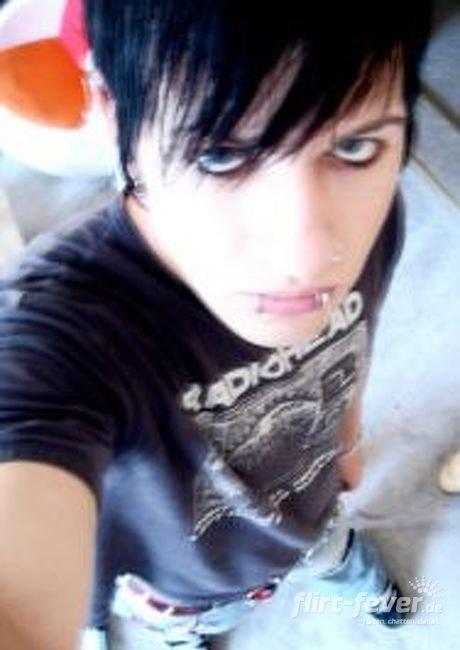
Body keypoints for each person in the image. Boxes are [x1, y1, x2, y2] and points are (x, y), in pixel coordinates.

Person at [0, 1, 433, 648]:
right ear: (114, 113)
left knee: (333, 555)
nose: (307, 256)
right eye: (220, 157)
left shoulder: (380, 214)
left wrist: (346, 438)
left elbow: (354, 341)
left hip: (314, 518)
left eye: (353, 147)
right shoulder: (62, 333)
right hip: (183, 593)